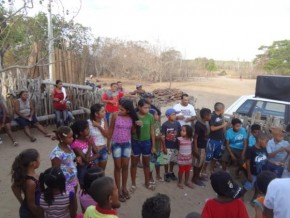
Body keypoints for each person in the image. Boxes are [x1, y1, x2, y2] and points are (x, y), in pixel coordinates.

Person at [108, 99, 139, 202]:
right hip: (116, 143)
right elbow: (111, 129)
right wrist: (108, 144)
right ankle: (118, 189)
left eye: (122, 109)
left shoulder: (131, 117)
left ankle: (124, 187)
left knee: (125, 166)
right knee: (118, 166)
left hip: (127, 144)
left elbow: (133, 132)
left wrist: (136, 125)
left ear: (128, 111)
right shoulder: (115, 115)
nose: (119, 110)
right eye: (119, 108)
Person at [130, 99, 155, 191]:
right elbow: (131, 132)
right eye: (145, 107)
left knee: (146, 164)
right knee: (134, 164)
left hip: (146, 142)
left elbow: (152, 131)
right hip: (135, 142)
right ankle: (133, 184)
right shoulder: (134, 116)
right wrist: (135, 126)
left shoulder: (150, 116)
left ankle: (147, 183)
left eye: (149, 107)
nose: (147, 109)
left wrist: (153, 146)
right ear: (139, 107)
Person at [11, 148, 42, 218]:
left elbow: (14, 187)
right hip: (31, 213)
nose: (40, 161)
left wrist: (22, 201)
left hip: (28, 209)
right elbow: (31, 205)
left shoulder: (24, 174)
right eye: (38, 159)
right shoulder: (31, 182)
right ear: (33, 163)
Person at [71, 120, 100, 188]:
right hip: (83, 169)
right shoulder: (75, 144)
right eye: (87, 129)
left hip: (92, 165)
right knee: (84, 186)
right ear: (81, 132)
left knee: (94, 185)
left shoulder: (90, 139)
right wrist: (90, 145)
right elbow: (87, 159)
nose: (89, 130)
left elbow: (98, 154)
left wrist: (88, 160)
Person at [50, 126, 78, 193]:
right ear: (62, 138)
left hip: (73, 178)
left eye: (72, 136)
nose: (72, 138)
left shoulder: (68, 146)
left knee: (73, 196)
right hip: (65, 182)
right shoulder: (57, 154)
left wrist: (76, 159)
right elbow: (55, 171)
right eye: (69, 137)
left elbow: (70, 160)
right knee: (69, 200)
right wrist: (65, 169)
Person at [244, 133, 269, 201]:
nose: (267, 144)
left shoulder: (264, 148)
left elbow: (266, 158)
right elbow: (248, 163)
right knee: (248, 185)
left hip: (261, 173)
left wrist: (274, 162)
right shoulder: (251, 150)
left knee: (258, 187)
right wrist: (249, 174)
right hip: (253, 173)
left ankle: (254, 199)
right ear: (260, 140)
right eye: (266, 142)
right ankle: (241, 196)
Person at [192, 108, 211, 186]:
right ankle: (194, 178)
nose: (210, 117)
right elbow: (195, 137)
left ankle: (198, 176)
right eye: (209, 115)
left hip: (203, 146)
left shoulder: (205, 123)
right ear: (205, 116)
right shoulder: (199, 125)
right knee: (197, 163)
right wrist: (195, 149)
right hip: (199, 147)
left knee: (201, 162)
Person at [206, 102, 227, 173]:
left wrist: (224, 127)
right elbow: (212, 128)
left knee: (216, 156)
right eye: (224, 108)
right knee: (209, 156)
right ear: (221, 109)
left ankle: (211, 169)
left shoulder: (221, 116)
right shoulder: (212, 116)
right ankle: (203, 170)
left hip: (220, 140)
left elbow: (223, 128)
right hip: (212, 139)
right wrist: (223, 125)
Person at [161, 108, 181, 182]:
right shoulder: (165, 125)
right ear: (167, 116)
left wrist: (179, 145)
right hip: (167, 146)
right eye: (173, 114)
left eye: (175, 114)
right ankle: (166, 173)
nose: (175, 116)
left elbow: (179, 134)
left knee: (173, 160)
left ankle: (171, 172)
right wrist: (164, 147)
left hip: (175, 145)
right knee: (166, 161)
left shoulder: (177, 123)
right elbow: (162, 136)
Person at [88, 103, 109, 170]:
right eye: (102, 111)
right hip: (93, 151)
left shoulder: (104, 121)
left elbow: (107, 135)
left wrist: (99, 126)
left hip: (103, 149)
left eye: (104, 111)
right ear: (96, 114)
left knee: (102, 171)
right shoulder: (88, 123)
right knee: (95, 172)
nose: (105, 112)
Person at [149, 109, 165, 183]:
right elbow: (151, 136)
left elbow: (160, 134)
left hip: (158, 146)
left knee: (158, 162)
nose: (157, 116)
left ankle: (158, 175)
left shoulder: (158, 123)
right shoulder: (150, 124)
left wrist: (162, 145)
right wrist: (159, 137)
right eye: (156, 114)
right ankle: (150, 177)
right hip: (153, 146)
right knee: (152, 163)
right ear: (151, 116)